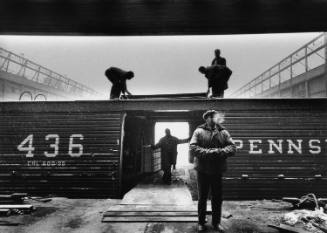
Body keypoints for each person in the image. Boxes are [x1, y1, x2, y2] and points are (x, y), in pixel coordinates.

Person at [189, 110, 236, 232]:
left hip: (217, 170)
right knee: (202, 197)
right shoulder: (199, 131)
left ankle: (216, 223)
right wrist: (209, 152)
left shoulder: (223, 132)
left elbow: (232, 147)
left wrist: (220, 152)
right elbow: (192, 147)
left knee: (217, 197)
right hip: (203, 170)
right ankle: (201, 222)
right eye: (209, 117)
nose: (212, 118)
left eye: (213, 116)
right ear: (206, 119)